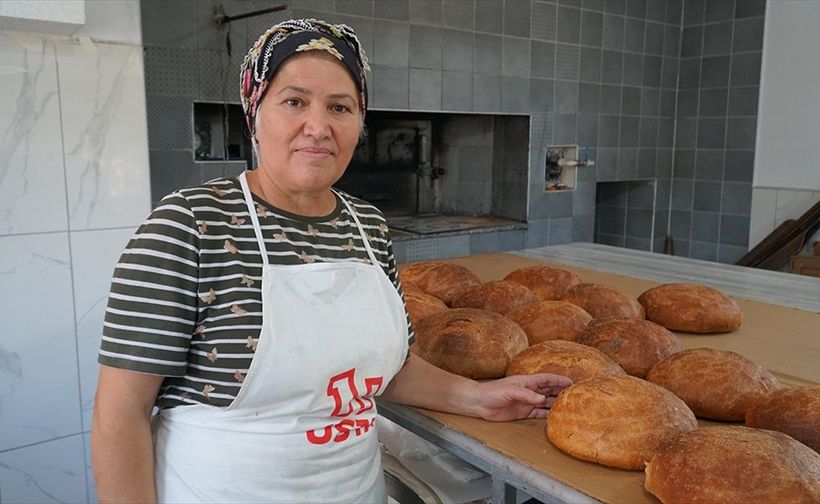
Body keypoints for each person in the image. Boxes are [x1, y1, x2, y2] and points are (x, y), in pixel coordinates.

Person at [91, 18, 571, 503]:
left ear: (359, 123)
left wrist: (480, 398)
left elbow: (388, 371)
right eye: (294, 101)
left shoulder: (367, 226)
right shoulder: (190, 224)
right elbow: (121, 413)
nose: (318, 127)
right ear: (255, 114)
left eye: (340, 107)